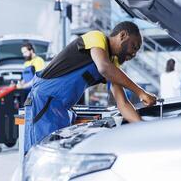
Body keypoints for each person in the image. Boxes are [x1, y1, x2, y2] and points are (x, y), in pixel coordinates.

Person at [24, 21, 157, 153]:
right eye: (134, 46)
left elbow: (123, 104)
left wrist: (142, 126)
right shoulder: (97, 38)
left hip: (61, 109)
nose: (134, 54)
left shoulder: (112, 64)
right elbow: (104, 68)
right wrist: (141, 92)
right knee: (39, 155)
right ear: (122, 35)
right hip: (44, 101)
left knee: (57, 156)